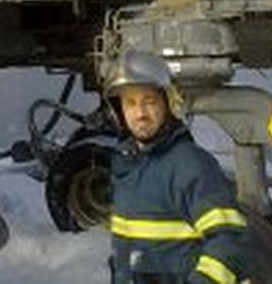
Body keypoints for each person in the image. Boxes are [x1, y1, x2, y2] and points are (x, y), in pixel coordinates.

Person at [108, 49, 254, 284]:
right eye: (130, 103)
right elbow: (123, 256)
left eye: (149, 102)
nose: (140, 113)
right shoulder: (126, 168)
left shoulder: (191, 165)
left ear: (168, 103)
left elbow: (228, 241)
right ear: (119, 111)